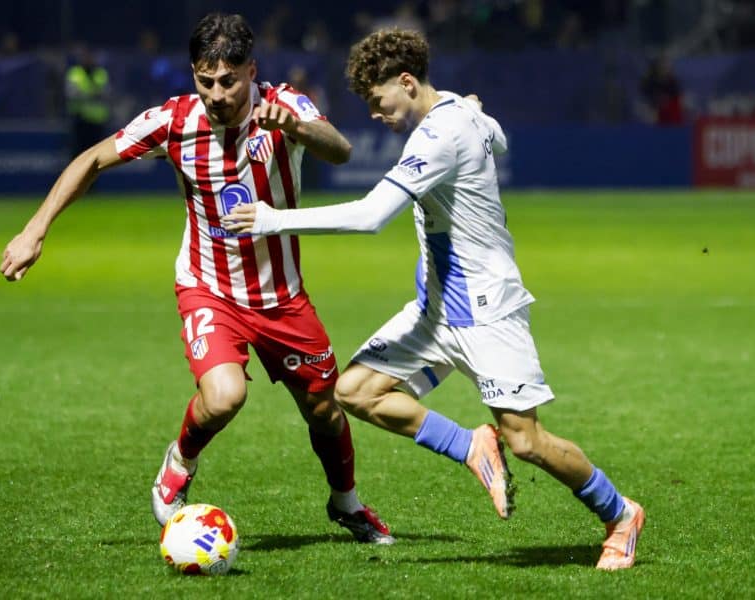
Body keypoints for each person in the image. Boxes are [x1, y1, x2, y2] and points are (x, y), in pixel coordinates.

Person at [222, 28, 645, 570]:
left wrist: (271, 219)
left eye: (378, 101)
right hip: (437, 308)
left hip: (488, 310)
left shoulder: (440, 134)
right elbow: (500, 139)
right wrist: (472, 111)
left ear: (406, 81)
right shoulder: (457, 114)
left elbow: (372, 216)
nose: (375, 113)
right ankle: (471, 446)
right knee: (355, 391)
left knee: (526, 441)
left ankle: (620, 513)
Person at [0, 13, 393, 545]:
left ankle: (346, 504)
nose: (216, 93)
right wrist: (34, 230)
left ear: (251, 71)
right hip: (208, 287)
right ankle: (180, 462)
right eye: (205, 81)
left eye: (229, 81)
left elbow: (340, 149)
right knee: (224, 395)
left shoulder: (285, 104)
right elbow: (93, 158)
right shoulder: (175, 120)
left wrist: (295, 127)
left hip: (281, 296)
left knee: (325, 411)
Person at [65, 45, 112, 156]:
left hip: (98, 121)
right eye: (85, 56)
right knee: (79, 154)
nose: (88, 59)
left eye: (91, 56)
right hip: (80, 120)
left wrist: (89, 94)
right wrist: (94, 93)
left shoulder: (101, 73)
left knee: (96, 156)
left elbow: (107, 93)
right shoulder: (75, 73)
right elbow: (71, 94)